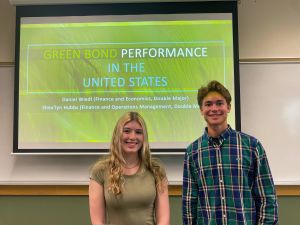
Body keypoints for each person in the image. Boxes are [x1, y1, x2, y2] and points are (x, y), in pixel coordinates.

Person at [182, 80, 278, 225]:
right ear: (201, 110)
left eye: (219, 103)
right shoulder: (192, 152)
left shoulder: (252, 147)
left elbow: (266, 197)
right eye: (208, 104)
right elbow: (190, 202)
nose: (214, 108)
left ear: (229, 107)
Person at [89, 111, 170, 225]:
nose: (132, 137)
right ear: (117, 134)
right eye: (126, 131)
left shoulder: (156, 169)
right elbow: (98, 222)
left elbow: (164, 220)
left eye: (138, 132)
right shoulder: (100, 171)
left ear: (144, 137)